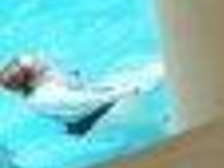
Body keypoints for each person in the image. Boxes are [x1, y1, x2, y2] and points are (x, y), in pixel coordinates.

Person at [0, 54, 161, 138]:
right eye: (36, 63)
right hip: (103, 117)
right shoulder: (48, 96)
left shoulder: (34, 88)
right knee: (151, 80)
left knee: (141, 72)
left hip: (91, 111)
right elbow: (85, 101)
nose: (40, 59)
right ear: (32, 76)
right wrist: (128, 91)